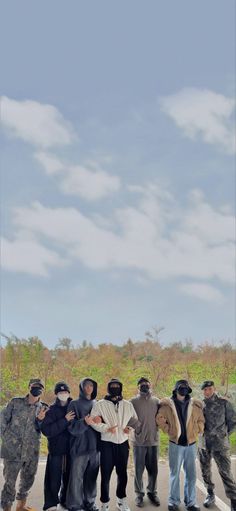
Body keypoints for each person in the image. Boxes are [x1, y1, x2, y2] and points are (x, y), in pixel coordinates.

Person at [90, 378, 141, 511]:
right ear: (108, 388)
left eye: (117, 386)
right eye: (112, 385)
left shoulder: (127, 404)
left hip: (123, 443)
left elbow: (135, 420)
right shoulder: (100, 404)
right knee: (105, 475)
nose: (114, 387)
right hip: (107, 444)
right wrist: (106, 428)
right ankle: (104, 504)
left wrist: (129, 428)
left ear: (121, 388)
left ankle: (121, 501)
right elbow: (93, 422)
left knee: (122, 473)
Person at [156, 379, 204, 511]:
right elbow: (159, 419)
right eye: (180, 387)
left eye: (185, 388)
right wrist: (169, 430)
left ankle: (191, 502)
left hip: (191, 445)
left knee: (191, 474)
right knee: (175, 473)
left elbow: (201, 420)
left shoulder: (195, 405)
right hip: (175, 444)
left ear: (188, 390)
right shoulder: (167, 406)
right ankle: (173, 501)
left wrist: (197, 430)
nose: (183, 390)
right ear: (176, 389)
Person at [0, 378, 48, 511]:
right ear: (29, 386)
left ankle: (20, 506)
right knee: (10, 482)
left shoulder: (44, 408)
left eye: (40, 387)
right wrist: (6, 438)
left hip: (32, 451)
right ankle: (7, 507)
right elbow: (2, 419)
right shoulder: (15, 402)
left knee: (28, 480)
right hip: (12, 450)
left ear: (43, 390)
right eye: (34, 386)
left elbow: (45, 429)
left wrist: (40, 420)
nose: (37, 388)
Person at [198, 380, 236, 511]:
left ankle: (234, 500)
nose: (207, 392)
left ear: (214, 389)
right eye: (205, 390)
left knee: (226, 473)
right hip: (204, 445)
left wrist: (222, 435)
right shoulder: (200, 405)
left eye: (209, 389)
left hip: (220, 445)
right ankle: (210, 494)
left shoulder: (224, 403)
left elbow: (232, 422)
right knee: (205, 472)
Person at [66, 378, 101, 511]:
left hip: (95, 448)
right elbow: (71, 427)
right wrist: (85, 422)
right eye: (85, 385)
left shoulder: (97, 403)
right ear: (81, 387)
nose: (88, 388)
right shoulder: (74, 404)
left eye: (91, 385)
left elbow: (102, 424)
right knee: (76, 478)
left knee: (92, 477)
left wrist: (99, 420)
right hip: (79, 447)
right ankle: (75, 505)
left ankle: (90, 503)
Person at [41, 381, 75, 511]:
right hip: (56, 449)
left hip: (71, 450)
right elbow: (47, 431)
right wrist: (64, 420)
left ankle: (65, 500)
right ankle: (51, 503)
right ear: (56, 394)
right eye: (60, 392)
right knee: (53, 477)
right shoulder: (51, 410)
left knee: (69, 477)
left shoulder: (74, 407)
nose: (63, 394)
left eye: (65, 392)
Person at [130, 377, 160, 508]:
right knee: (138, 469)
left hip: (153, 440)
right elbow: (127, 417)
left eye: (146, 384)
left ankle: (152, 492)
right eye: (142, 385)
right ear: (138, 387)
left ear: (150, 385)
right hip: (139, 441)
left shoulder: (156, 401)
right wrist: (137, 426)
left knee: (153, 470)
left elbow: (163, 416)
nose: (144, 386)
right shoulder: (132, 401)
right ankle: (139, 494)